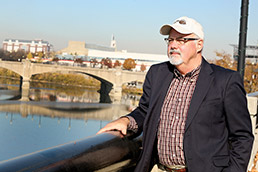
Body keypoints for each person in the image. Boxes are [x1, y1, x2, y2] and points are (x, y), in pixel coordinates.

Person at [97, 16, 254, 172]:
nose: (173, 45)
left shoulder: (225, 80)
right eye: (170, 40)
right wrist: (126, 121)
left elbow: (242, 137)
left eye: (181, 40)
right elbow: (145, 111)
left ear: (199, 44)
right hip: (160, 168)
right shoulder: (157, 73)